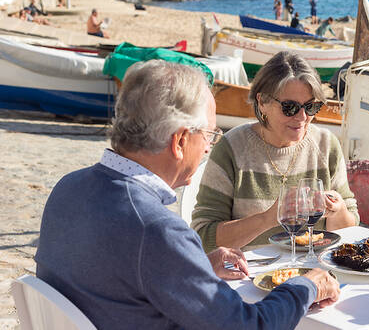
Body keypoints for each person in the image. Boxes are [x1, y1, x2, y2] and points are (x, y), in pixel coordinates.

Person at [35, 60, 340, 329]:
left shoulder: (68, 187)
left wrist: (198, 266)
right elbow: (248, 326)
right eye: (208, 134)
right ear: (180, 141)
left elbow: (115, 275)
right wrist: (306, 286)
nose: (209, 147)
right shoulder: (156, 230)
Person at [192, 51, 359, 251]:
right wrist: (267, 219)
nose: (302, 117)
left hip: (314, 272)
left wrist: (338, 210)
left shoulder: (326, 145)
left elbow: (349, 231)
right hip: (247, 274)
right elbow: (203, 237)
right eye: (290, 107)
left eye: (310, 107)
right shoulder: (232, 148)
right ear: (262, 102)